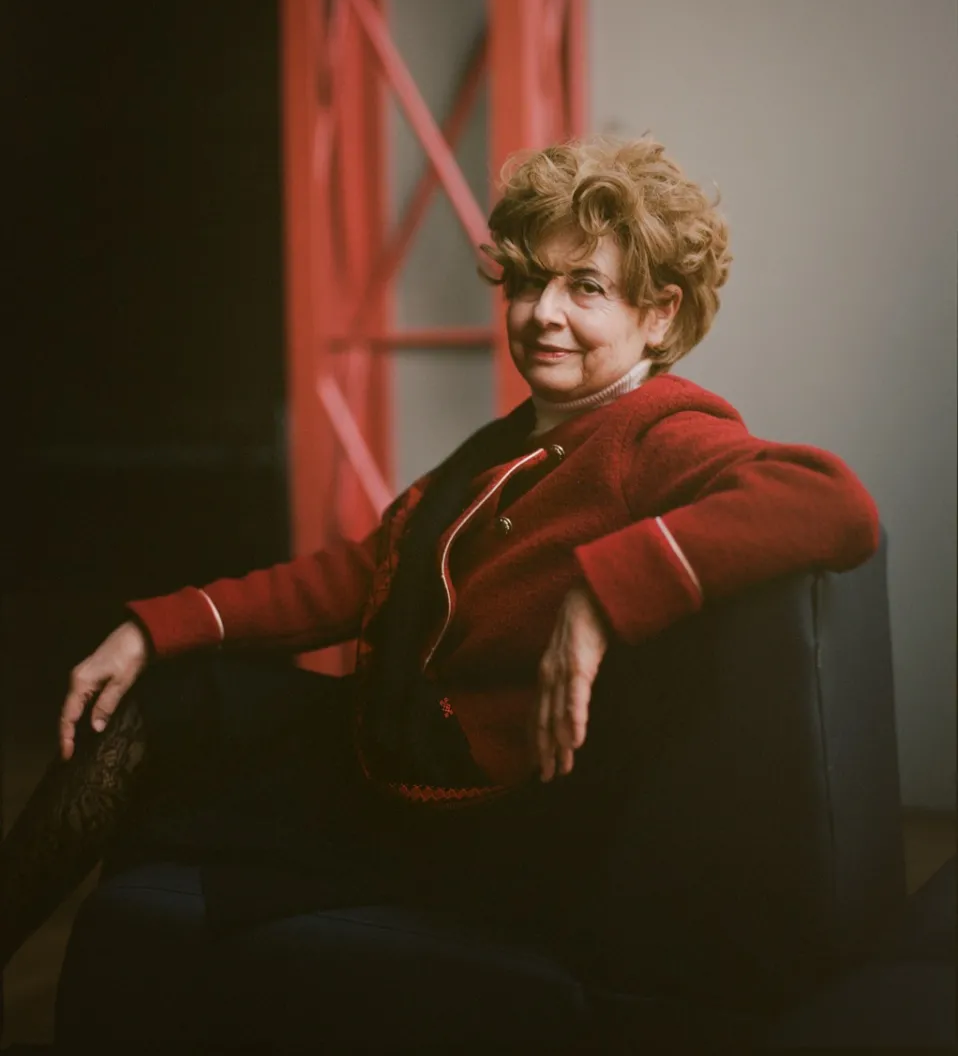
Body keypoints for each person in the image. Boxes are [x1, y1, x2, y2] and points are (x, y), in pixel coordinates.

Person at [0, 135, 879, 1001]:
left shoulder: (660, 431)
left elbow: (833, 500)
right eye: (531, 281)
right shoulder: (515, 439)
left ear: (660, 314)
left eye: (588, 288)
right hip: (394, 741)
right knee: (163, 695)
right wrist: (160, 626)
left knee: (179, 758)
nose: (544, 313)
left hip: (488, 811)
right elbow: (366, 573)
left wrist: (602, 596)